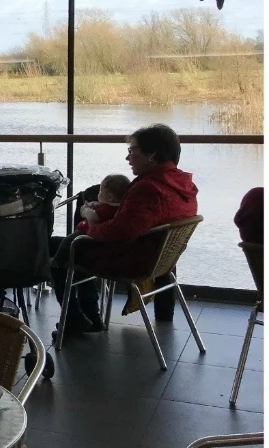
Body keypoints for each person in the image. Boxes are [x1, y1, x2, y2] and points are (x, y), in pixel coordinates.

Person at [50, 123, 198, 335]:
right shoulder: (184, 186)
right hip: (158, 260)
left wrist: (90, 226)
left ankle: (78, 318)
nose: (127, 158)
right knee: (73, 241)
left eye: (132, 151)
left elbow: (119, 233)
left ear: (152, 155)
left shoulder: (148, 189)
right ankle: (88, 315)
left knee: (58, 249)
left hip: (131, 260)